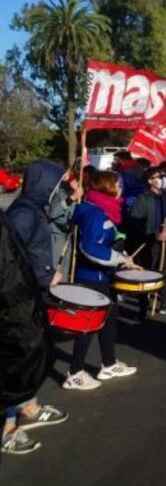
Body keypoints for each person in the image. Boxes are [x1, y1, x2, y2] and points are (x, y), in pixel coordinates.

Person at [3, 161, 70, 454]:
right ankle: (7, 428)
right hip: (16, 298)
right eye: (56, 185)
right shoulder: (22, 214)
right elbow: (12, 259)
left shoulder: (34, 210)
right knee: (15, 357)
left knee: (32, 354)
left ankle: (28, 406)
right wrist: (44, 276)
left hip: (30, 294)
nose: (59, 190)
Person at [66, 170, 139, 389]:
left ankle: (108, 363)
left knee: (109, 319)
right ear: (107, 186)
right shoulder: (96, 213)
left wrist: (125, 258)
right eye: (117, 183)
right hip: (92, 278)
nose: (120, 187)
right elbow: (89, 247)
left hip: (101, 276)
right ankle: (75, 373)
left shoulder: (102, 210)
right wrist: (119, 259)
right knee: (88, 324)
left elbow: (108, 241)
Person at [125, 167, 166, 319]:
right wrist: (156, 235)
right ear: (150, 181)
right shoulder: (143, 199)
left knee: (163, 271)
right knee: (147, 273)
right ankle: (143, 306)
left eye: (163, 176)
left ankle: (164, 302)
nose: (162, 179)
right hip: (148, 242)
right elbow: (136, 223)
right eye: (158, 176)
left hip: (164, 242)